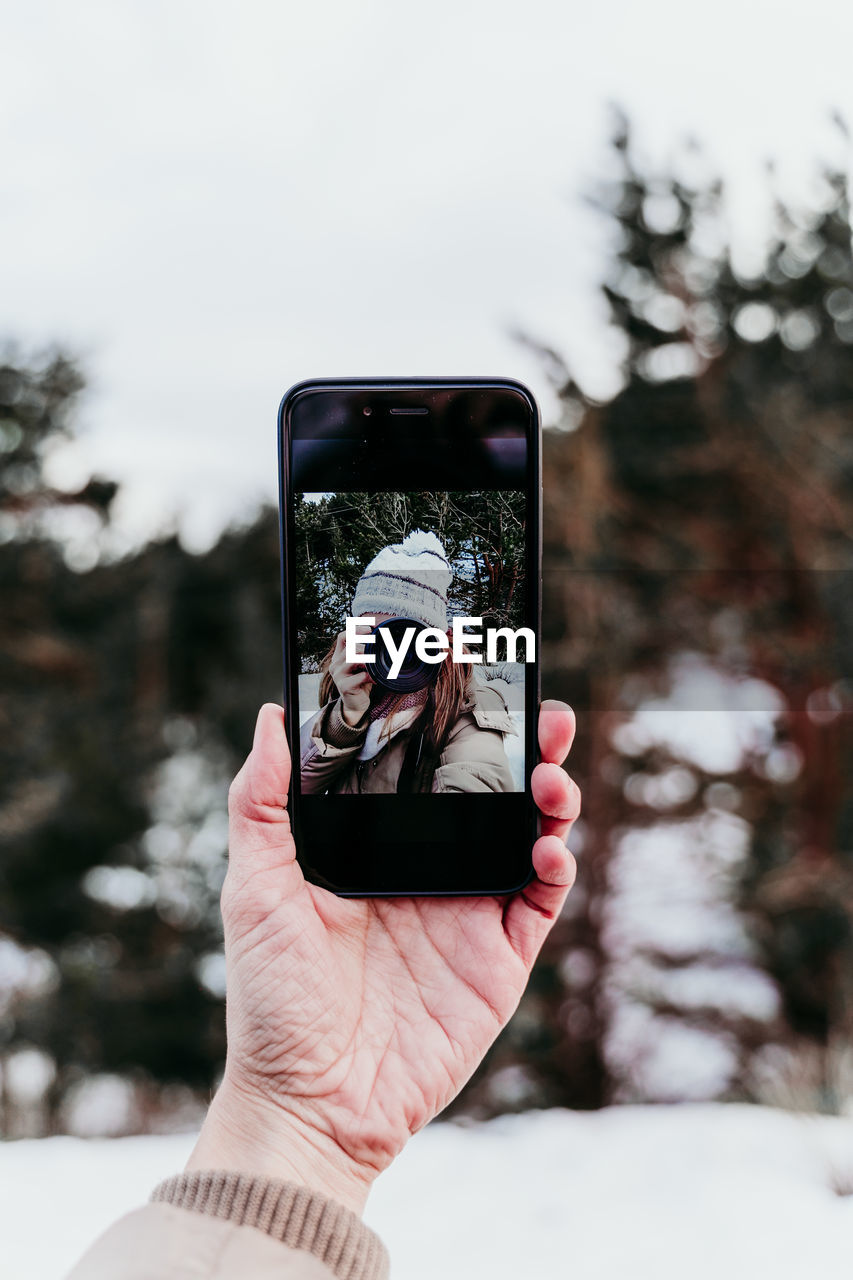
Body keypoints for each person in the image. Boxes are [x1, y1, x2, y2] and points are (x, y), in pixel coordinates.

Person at [67, 697, 580, 1280]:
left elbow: (477, 773)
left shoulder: (465, 717)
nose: (391, 650)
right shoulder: (340, 703)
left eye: (408, 635)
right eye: (375, 631)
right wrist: (295, 1111)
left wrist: (299, 1124)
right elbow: (308, 779)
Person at [301, 530, 517, 794]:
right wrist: (344, 720)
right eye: (379, 635)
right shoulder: (349, 690)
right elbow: (289, 788)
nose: (396, 652)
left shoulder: (464, 706)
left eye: (406, 637)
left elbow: (477, 775)